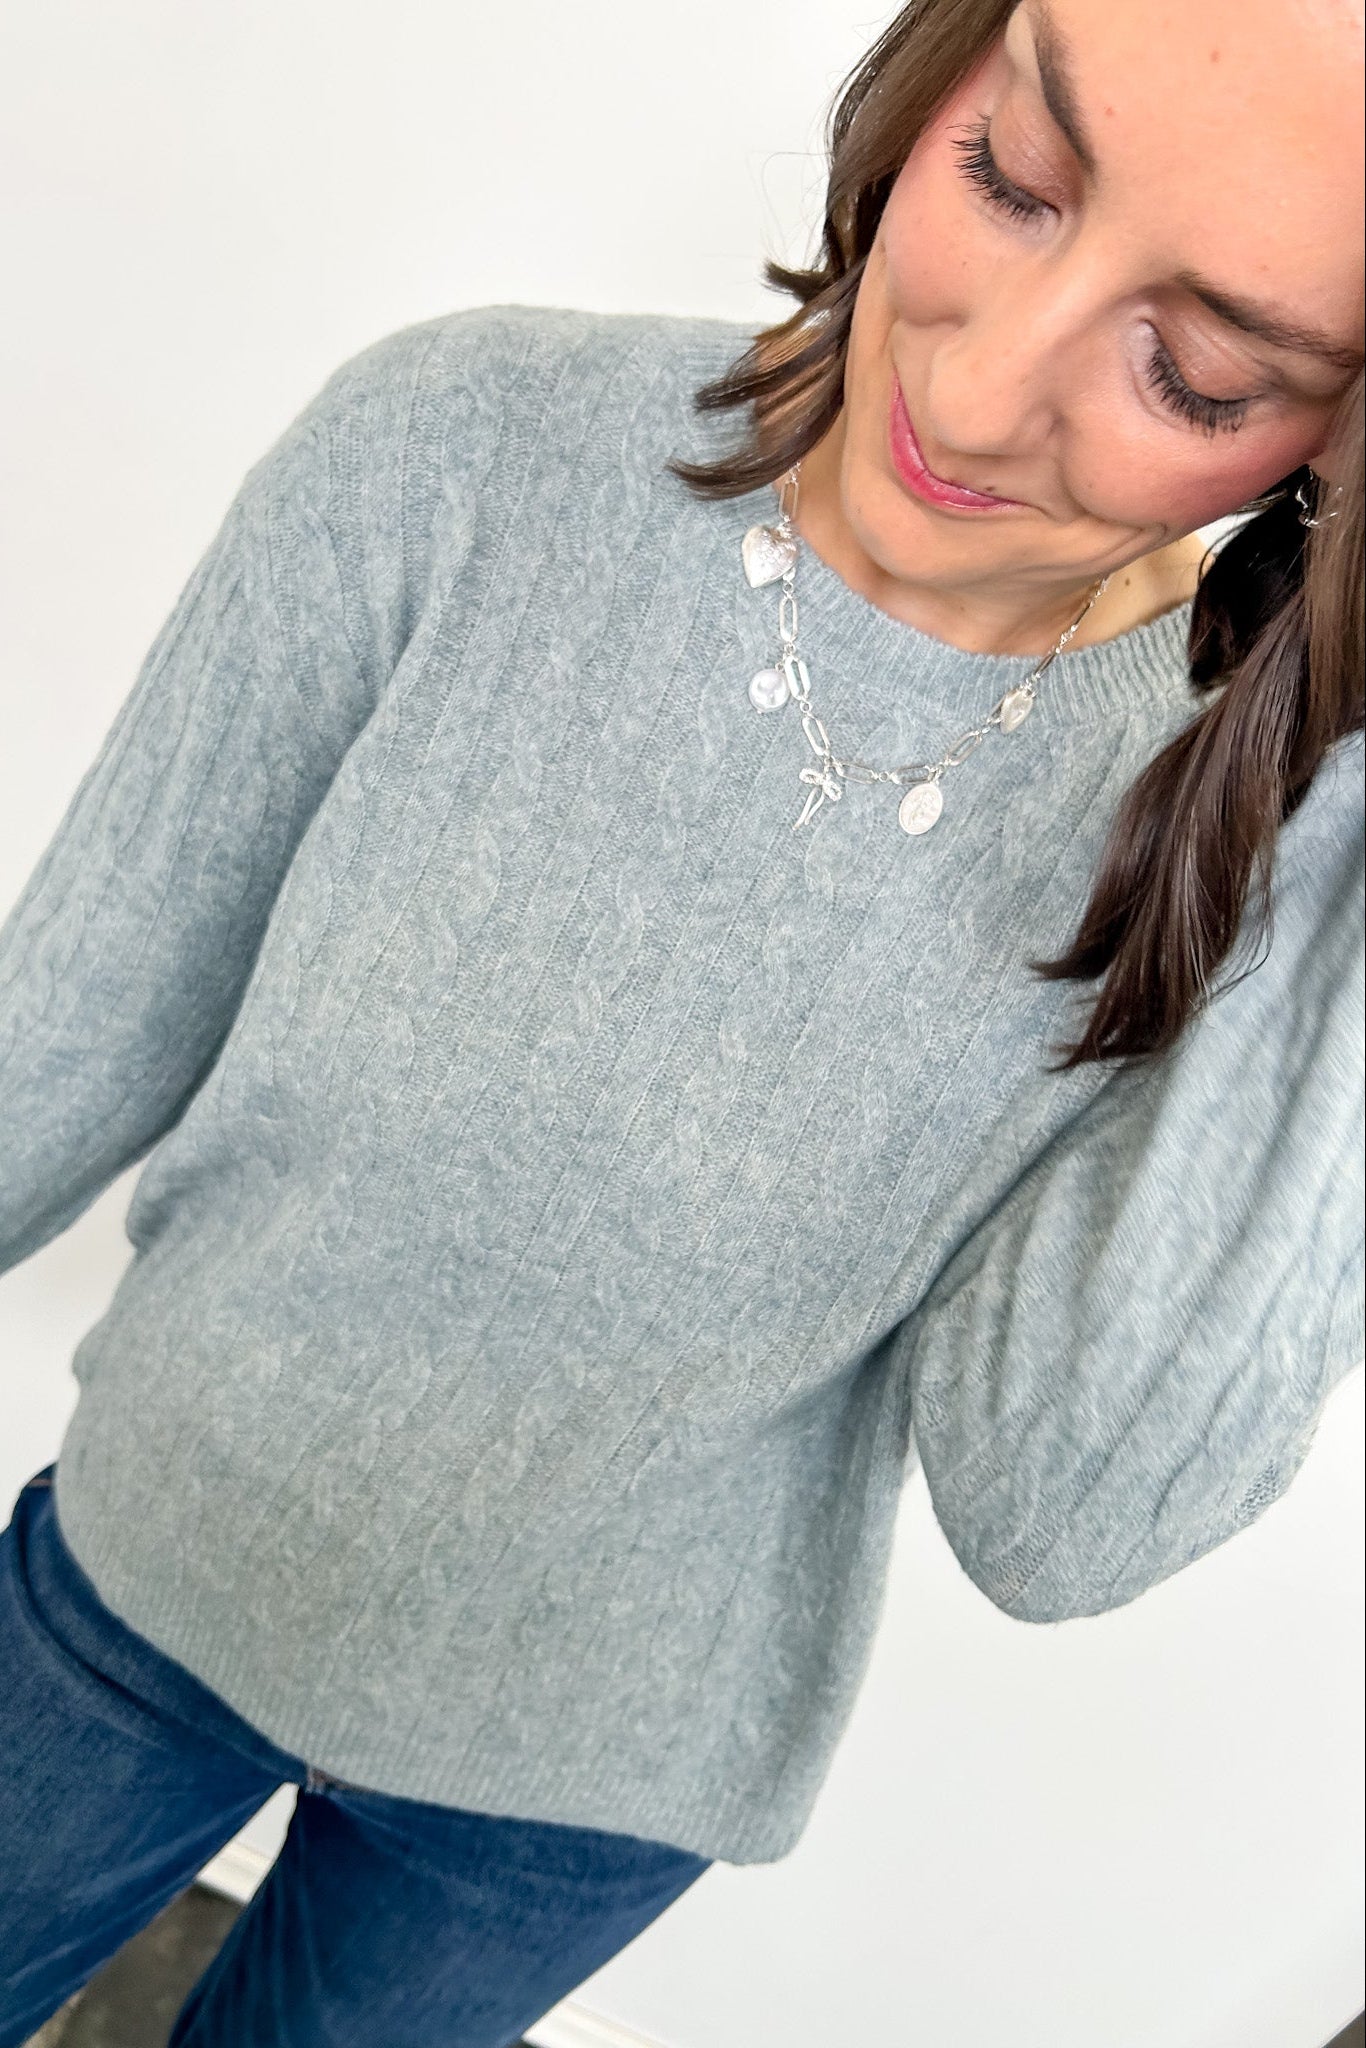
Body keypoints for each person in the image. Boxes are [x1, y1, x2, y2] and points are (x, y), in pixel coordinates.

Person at [1, 0, 1361, 2041]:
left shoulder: (1221, 849)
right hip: (145, 1573)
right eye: (1006, 176)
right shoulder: (453, 452)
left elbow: (1064, 1514)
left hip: (581, 1785)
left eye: (1196, 369)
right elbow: (70, 1026)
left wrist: (1334, 823)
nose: (980, 397)